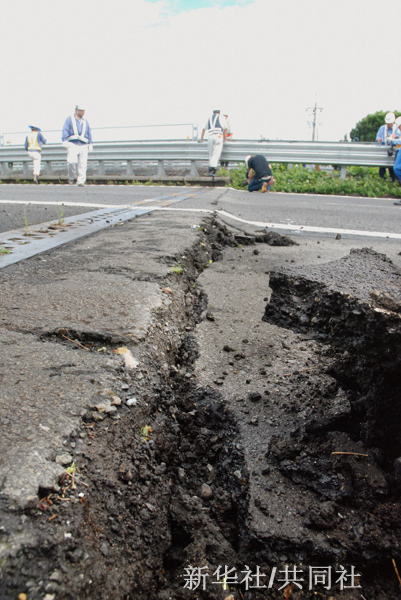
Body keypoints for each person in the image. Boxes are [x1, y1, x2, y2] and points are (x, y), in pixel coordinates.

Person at [62, 104, 93, 186]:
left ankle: (81, 181)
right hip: (73, 143)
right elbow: (65, 129)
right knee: (71, 162)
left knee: (82, 164)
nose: (83, 112)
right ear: (77, 110)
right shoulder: (70, 119)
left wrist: (90, 143)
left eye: (84, 111)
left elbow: (89, 132)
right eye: (81, 110)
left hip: (83, 144)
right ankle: (72, 178)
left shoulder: (85, 121)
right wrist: (64, 140)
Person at [198, 109, 227, 175]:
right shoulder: (221, 117)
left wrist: (201, 138)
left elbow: (203, 129)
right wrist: (224, 139)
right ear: (219, 113)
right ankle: (213, 170)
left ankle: (210, 169)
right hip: (218, 136)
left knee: (211, 154)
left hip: (210, 136)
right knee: (216, 154)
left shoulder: (209, 118)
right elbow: (225, 128)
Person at [376, 112, 398, 181]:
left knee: (392, 168)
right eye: (388, 124)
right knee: (382, 168)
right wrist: (378, 140)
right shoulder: (382, 128)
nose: (389, 125)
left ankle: (393, 180)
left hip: (393, 151)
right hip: (383, 151)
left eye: (390, 123)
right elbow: (377, 138)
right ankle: (382, 180)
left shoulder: (397, 129)